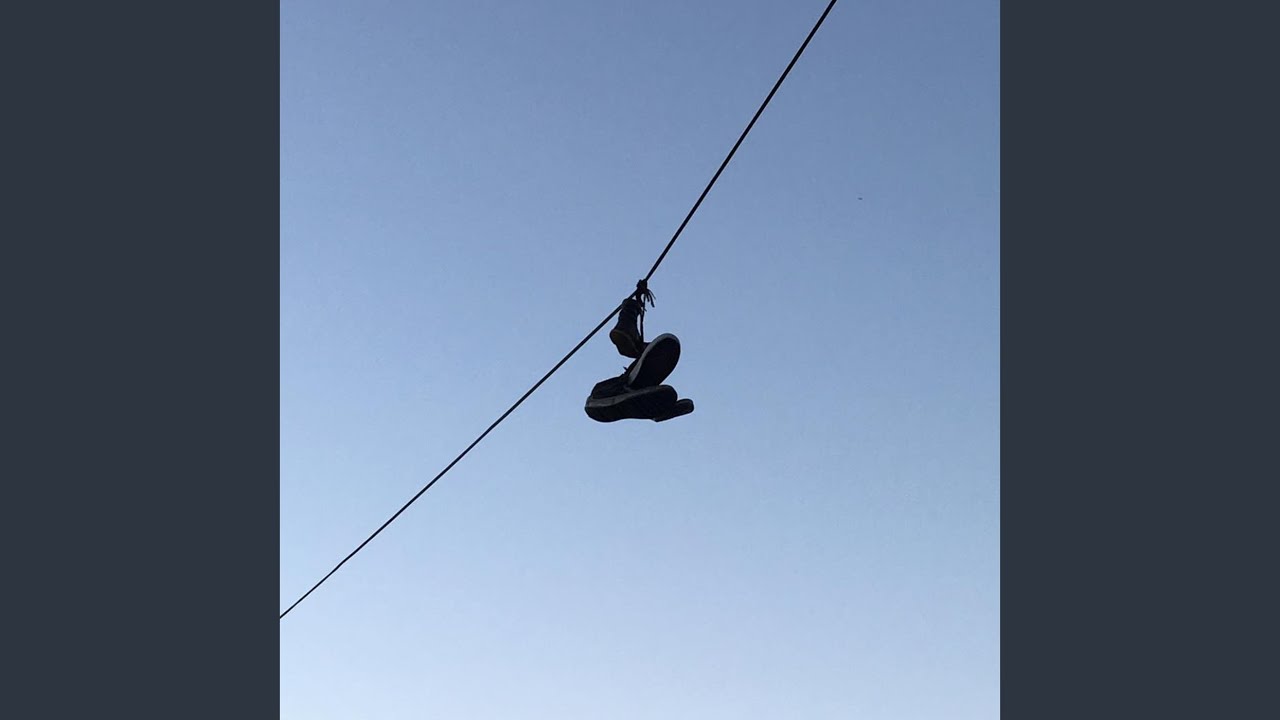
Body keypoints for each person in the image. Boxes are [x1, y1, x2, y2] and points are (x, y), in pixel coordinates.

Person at [585, 282, 694, 423]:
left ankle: (627, 388)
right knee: (666, 346)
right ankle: (624, 389)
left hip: (601, 399)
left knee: (666, 346)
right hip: (602, 397)